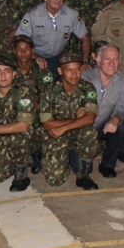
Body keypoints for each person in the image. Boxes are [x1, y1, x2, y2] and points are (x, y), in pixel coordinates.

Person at [39, 53, 101, 190]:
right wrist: (76, 119)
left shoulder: (88, 88)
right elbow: (47, 123)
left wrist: (64, 127)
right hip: (56, 135)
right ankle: (60, 158)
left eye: (78, 69)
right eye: (69, 70)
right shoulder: (49, 91)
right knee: (55, 180)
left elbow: (90, 118)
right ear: (60, 71)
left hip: (74, 132)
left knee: (89, 132)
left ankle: (83, 175)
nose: (74, 74)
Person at [0, 57, 36, 192]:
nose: (3, 75)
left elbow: (23, 126)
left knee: (17, 138)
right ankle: (13, 162)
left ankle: (21, 175)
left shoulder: (24, 92)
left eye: (7, 71)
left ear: (14, 74)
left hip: (25, 138)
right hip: (1, 139)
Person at [16, 0, 91, 74]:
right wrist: (35, 57)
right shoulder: (32, 15)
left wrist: (85, 61)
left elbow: (85, 37)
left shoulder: (71, 14)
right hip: (36, 57)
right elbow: (20, 41)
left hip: (59, 57)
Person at [82, 43, 124, 178]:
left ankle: (107, 164)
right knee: (82, 169)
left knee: (122, 128)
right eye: (107, 59)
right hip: (83, 126)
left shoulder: (123, 81)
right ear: (98, 60)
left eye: (115, 59)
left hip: (104, 124)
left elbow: (121, 107)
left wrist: (115, 119)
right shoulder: (85, 77)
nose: (111, 63)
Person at [12, 35, 55, 174]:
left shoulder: (43, 72)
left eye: (26, 49)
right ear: (14, 51)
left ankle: (36, 152)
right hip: (14, 116)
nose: (23, 53)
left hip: (37, 118)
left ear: (33, 51)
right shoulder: (8, 71)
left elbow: (48, 96)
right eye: (19, 49)